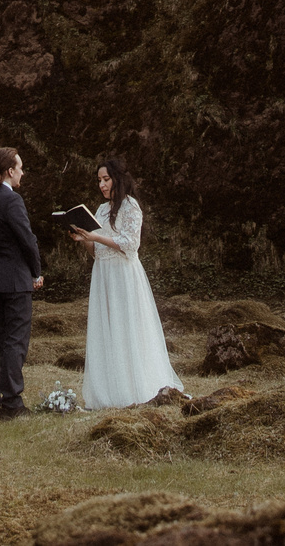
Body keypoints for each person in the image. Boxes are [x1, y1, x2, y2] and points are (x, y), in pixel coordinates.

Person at [64, 155, 185, 408]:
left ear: (117, 179)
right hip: (103, 274)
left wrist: (97, 237)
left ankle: (134, 387)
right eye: (99, 180)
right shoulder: (100, 210)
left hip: (124, 274)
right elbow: (96, 252)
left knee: (127, 326)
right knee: (107, 327)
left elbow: (130, 245)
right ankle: (109, 388)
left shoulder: (131, 207)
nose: (102, 185)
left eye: (106, 179)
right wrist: (84, 238)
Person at [0, 145, 44, 420]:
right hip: (15, 279)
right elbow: (27, 240)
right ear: (9, 171)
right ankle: (13, 404)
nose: (23, 173)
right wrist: (36, 272)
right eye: (20, 168)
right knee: (15, 341)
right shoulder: (12, 200)